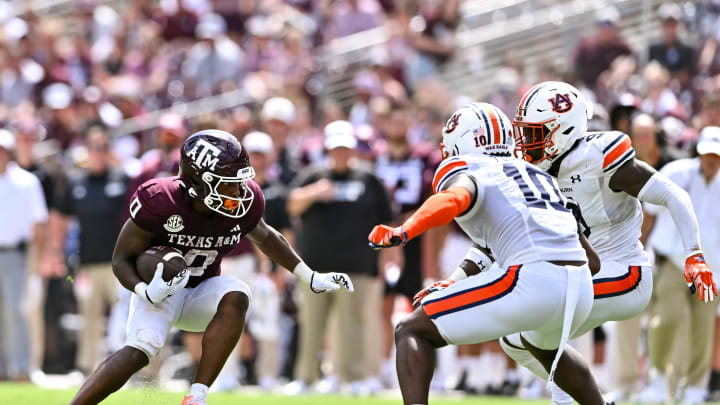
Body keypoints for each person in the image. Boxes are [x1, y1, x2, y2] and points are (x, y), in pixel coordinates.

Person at [68, 129, 354, 405]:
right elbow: (120, 261)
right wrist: (145, 291)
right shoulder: (160, 200)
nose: (238, 191)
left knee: (238, 293)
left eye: (239, 182)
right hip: (159, 291)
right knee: (138, 355)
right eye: (227, 183)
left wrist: (309, 276)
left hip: (200, 291)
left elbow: (266, 235)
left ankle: (196, 396)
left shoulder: (244, 201)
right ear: (197, 181)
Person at [471, 81, 714, 405]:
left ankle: (568, 401)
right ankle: (589, 398)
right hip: (588, 275)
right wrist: (453, 281)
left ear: (563, 130)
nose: (526, 142)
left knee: (542, 319)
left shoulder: (599, 159)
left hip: (625, 273)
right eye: (525, 133)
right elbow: (493, 240)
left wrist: (693, 254)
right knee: (512, 338)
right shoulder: (536, 173)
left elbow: (673, 194)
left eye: (535, 133)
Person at [369, 102, 604, 405]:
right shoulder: (536, 175)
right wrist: (455, 280)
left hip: (533, 277)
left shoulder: (471, 167)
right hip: (580, 285)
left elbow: (454, 198)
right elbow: (589, 260)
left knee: (411, 328)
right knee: (545, 349)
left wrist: (405, 230)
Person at [286, 120, 393, 394]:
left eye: (346, 148)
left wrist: (388, 258)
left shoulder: (368, 179)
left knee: (352, 326)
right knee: (311, 324)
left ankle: (353, 378)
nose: (341, 154)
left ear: (353, 149)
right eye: (336, 149)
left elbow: (386, 220)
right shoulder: (313, 175)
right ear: (328, 149)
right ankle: (306, 378)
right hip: (315, 267)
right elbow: (292, 205)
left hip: (355, 266)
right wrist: (315, 193)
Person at [640, 126, 720, 404]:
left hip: (712, 269)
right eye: (707, 153)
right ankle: (658, 379)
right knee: (667, 317)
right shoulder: (675, 172)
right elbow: (648, 214)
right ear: (698, 151)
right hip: (675, 260)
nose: (711, 160)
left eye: (716, 155)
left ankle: (695, 387)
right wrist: (639, 250)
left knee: (702, 329)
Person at [0, 128, 48, 382]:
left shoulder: (27, 181)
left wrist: (37, 260)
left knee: (18, 311)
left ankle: (21, 368)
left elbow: (40, 223)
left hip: (18, 255)